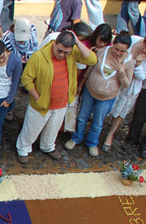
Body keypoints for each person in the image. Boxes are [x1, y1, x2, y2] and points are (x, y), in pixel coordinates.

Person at [17, 31, 96, 164]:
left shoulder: (72, 54)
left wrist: (77, 41)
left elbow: (92, 59)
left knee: (53, 129)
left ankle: (47, 146)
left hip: (62, 103)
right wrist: (38, 98)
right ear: (54, 43)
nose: (62, 55)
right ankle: (23, 148)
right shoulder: (39, 56)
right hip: (41, 104)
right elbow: (26, 79)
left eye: (66, 52)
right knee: (31, 129)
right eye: (59, 50)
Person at [65, 32, 134, 157]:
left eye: (122, 51)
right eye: (116, 49)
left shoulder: (129, 61)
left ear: (127, 50)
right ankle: (76, 138)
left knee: (98, 122)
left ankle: (92, 143)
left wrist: (121, 72)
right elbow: (91, 68)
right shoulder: (102, 51)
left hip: (107, 97)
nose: (118, 53)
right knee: (82, 117)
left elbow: (126, 84)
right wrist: (81, 85)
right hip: (90, 90)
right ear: (112, 44)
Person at [100, 33, 146, 152]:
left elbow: (142, 76)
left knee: (120, 112)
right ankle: (97, 125)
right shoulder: (133, 40)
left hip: (131, 87)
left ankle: (111, 133)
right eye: (145, 46)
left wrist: (138, 64)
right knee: (104, 103)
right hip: (115, 78)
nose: (145, 50)